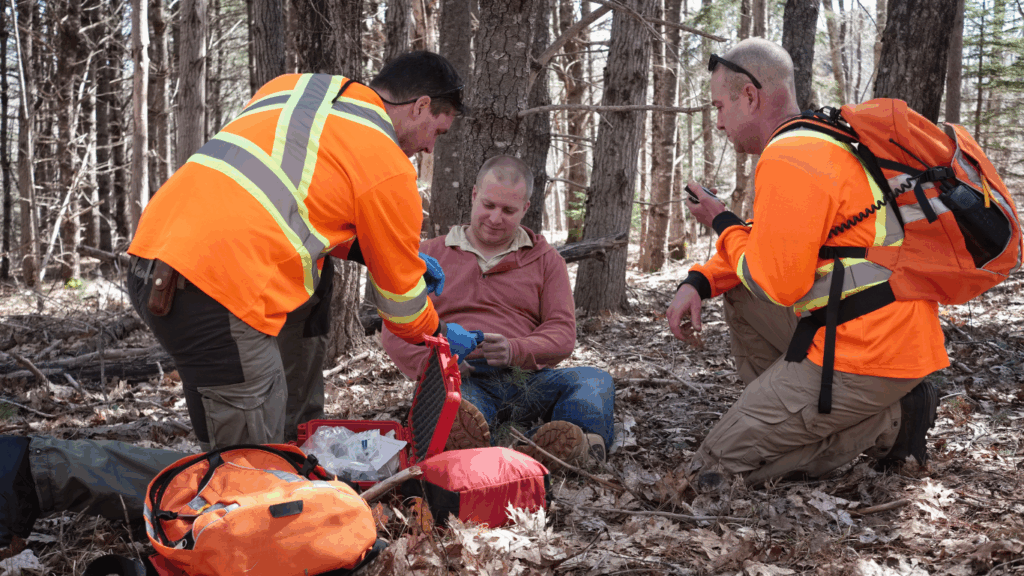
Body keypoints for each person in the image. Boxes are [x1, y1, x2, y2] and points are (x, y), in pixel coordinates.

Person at [125, 50, 481, 451]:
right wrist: (438, 335)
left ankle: (286, 458)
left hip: (150, 259)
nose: (431, 149)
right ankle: (52, 472)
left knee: (241, 443)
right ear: (420, 107)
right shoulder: (390, 168)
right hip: (216, 294)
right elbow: (402, 310)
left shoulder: (292, 88)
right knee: (248, 472)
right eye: (438, 132)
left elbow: (291, 208)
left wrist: (370, 252)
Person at [666, 38, 945, 489]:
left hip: (868, 353)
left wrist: (722, 222)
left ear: (750, 96)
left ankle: (892, 422)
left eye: (720, 107)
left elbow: (776, 282)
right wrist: (698, 281)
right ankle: (786, 413)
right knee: (734, 289)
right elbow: (767, 245)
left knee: (713, 471)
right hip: (873, 336)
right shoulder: (817, 140)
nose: (717, 123)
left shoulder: (790, 156)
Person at [382, 156, 615, 469]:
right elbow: (395, 329)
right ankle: (507, 452)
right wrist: (438, 368)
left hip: (529, 381)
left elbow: (562, 333)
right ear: (474, 195)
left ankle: (583, 446)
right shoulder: (428, 255)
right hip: (462, 381)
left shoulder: (546, 260)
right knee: (459, 411)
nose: (495, 218)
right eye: (489, 205)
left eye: (508, 211)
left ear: (525, 209)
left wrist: (514, 349)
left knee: (593, 380)